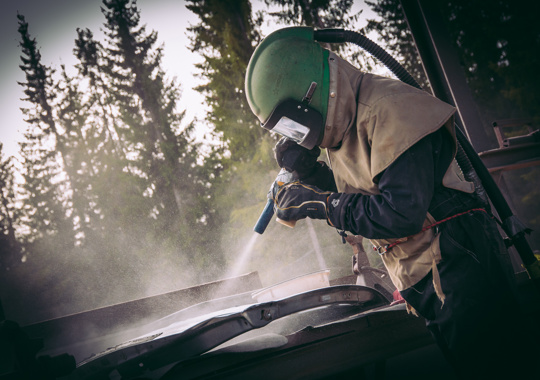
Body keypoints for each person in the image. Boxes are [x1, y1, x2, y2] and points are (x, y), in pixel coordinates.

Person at [244, 27, 538, 378]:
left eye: (293, 122)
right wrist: (316, 176)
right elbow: (371, 191)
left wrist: (320, 204)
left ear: (312, 93)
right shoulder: (349, 126)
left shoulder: (387, 109)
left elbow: (400, 212)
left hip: (460, 264)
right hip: (431, 271)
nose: (297, 134)